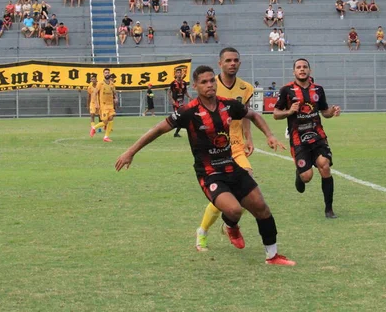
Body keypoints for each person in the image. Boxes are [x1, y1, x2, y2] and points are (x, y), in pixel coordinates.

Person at [115, 65, 295, 266]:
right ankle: (230, 226)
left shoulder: (228, 105)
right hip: (210, 173)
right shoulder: (187, 112)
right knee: (234, 210)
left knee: (261, 207)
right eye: (204, 82)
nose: (209, 85)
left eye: (212, 81)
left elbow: (252, 115)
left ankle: (273, 256)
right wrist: (131, 151)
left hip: (232, 166)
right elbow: (158, 130)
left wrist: (269, 135)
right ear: (195, 86)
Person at [195, 47, 255, 252]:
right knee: (222, 194)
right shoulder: (210, 85)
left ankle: (229, 224)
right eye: (228, 60)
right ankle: (203, 231)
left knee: (247, 188)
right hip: (214, 151)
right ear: (220, 63)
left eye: (236, 60)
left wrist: (248, 138)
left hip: (236, 147)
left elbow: (245, 115)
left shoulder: (245, 88)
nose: (232, 63)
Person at [273, 58, 341, 219]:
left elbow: (324, 112)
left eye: (305, 67)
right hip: (298, 138)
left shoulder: (318, 90)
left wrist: (332, 111)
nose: (302, 69)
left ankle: (329, 209)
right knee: (307, 177)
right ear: (294, 71)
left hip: (318, 135)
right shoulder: (286, 90)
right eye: (298, 67)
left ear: (309, 70)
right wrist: (289, 111)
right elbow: (276, 114)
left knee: (324, 166)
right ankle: (300, 173)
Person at [90, 68, 117, 142]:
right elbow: (95, 93)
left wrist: (116, 98)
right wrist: (96, 104)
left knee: (111, 118)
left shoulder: (112, 84)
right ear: (103, 74)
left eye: (108, 72)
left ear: (110, 73)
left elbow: (114, 92)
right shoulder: (100, 83)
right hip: (103, 105)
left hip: (110, 105)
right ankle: (94, 128)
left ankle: (106, 137)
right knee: (105, 122)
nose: (107, 74)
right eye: (105, 73)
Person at [168, 67, 192, 137]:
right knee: (178, 117)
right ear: (175, 74)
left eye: (180, 72)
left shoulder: (184, 82)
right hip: (176, 103)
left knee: (182, 117)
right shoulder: (173, 83)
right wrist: (172, 100)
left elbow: (185, 91)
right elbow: (169, 92)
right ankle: (173, 128)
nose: (179, 74)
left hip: (182, 103)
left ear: (182, 73)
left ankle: (176, 132)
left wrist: (189, 97)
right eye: (177, 72)